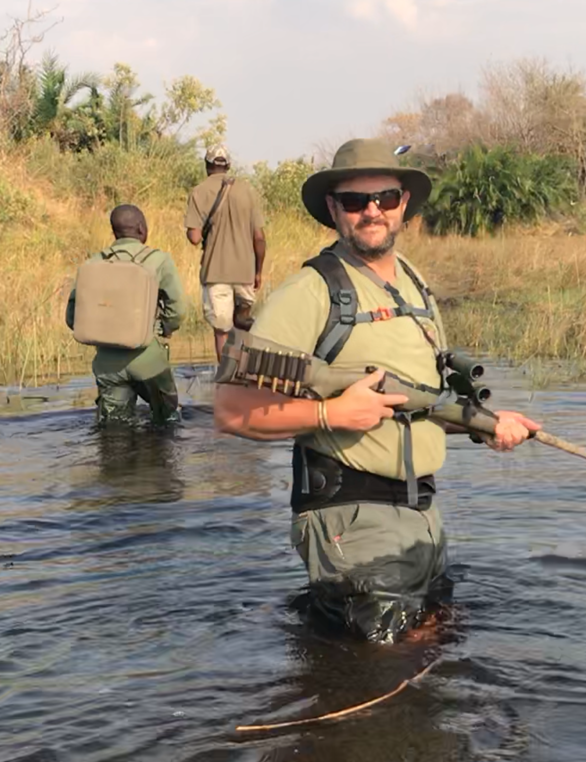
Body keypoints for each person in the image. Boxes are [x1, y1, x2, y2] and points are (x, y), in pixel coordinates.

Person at [214, 138, 539, 644]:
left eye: (385, 198)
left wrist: (487, 424)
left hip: (422, 519)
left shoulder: (412, 282)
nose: (372, 211)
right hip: (355, 521)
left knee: (424, 659)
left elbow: (415, 404)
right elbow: (231, 410)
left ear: (403, 203)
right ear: (332, 209)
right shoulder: (312, 291)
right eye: (354, 201)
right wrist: (332, 415)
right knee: (382, 679)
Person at [66, 204, 186, 426]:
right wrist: (163, 330)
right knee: (168, 420)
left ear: (114, 232)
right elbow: (178, 310)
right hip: (148, 360)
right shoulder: (159, 260)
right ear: (142, 229)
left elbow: (72, 317)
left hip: (106, 365)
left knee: (114, 430)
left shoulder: (93, 263)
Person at [184, 144, 266, 362]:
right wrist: (258, 271)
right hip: (245, 272)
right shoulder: (247, 190)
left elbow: (194, 238)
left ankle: (226, 380)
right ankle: (248, 375)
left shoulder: (199, 191)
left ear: (207, 165)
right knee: (243, 326)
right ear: (228, 165)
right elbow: (259, 237)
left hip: (216, 272)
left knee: (222, 331)